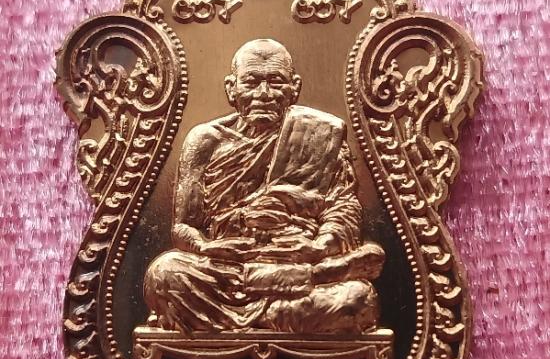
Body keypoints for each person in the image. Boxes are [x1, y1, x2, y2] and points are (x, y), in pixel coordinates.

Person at [143, 38, 385, 335]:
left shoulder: (319, 135)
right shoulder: (206, 140)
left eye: (276, 82)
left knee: (358, 299)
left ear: (294, 88)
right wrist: (208, 246)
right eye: (251, 82)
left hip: (293, 259)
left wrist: (318, 247)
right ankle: (312, 283)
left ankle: (290, 289)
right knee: (164, 273)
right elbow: (183, 227)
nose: (264, 94)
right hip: (226, 272)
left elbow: (343, 210)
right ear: (232, 88)